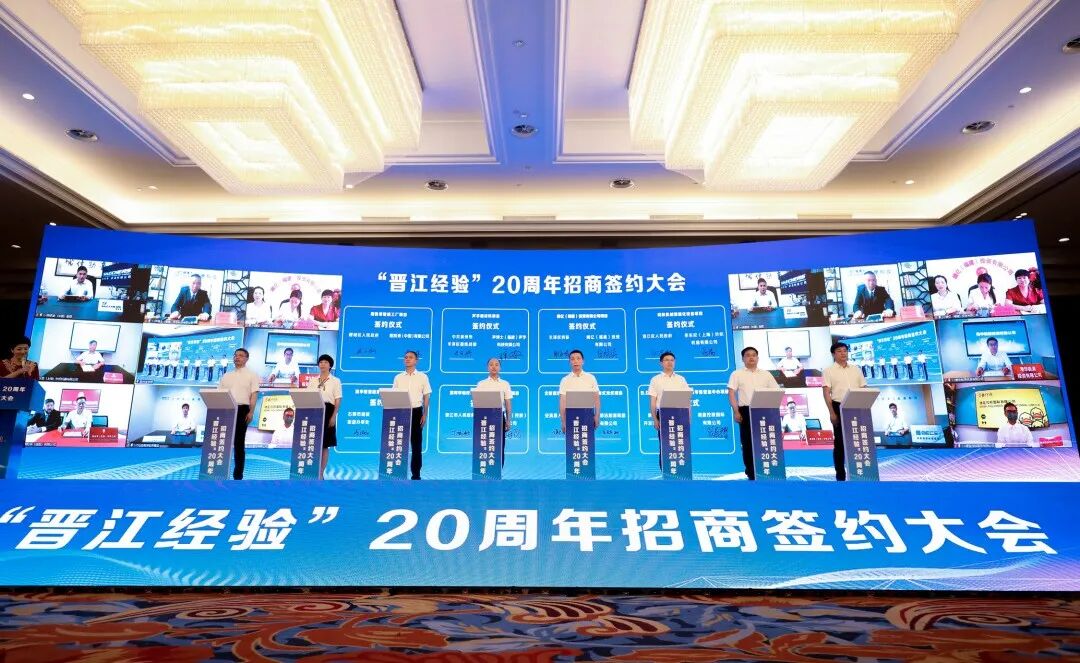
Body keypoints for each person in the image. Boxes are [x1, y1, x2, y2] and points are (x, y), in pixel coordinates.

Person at [727, 346, 780, 480]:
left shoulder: (766, 374)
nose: (751, 357)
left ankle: (769, 470)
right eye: (748, 355)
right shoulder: (737, 374)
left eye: (754, 355)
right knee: (748, 443)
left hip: (764, 410)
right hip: (746, 411)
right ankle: (751, 472)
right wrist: (736, 411)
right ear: (743, 359)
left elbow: (776, 391)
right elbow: (731, 393)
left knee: (766, 442)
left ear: (757, 358)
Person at [823, 341, 868, 481]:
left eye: (845, 350)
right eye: (839, 351)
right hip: (839, 406)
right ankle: (840, 476)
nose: (843, 353)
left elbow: (864, 388)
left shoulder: (856, 369)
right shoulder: (828, 371)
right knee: (840, 443)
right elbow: (826, 392)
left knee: (859, 441)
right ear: (833, 354)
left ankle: (860, 472)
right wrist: (832, 413)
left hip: (857, 407)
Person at [218, 348, 260, 480]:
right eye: (235, 355)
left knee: (238, 443)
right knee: (222, 442)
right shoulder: (226, 375)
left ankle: (238, 475)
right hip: (226, 409)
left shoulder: (252, 375)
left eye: (241, 355)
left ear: (247, 359)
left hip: (242, 410)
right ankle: (219, 472)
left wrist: (251, 412)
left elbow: (254, 394)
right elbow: (219, 393)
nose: (237, 357)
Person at [648, 351, 691, 470]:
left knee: (680, 443)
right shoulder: (655, 379)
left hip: (680, 414)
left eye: (672, 360)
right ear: (661, 363)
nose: (669, 362)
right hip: (663, 415)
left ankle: (681, 470)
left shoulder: (681, 379)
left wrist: (689, 417)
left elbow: (686, 400)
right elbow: (653, 401)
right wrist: (655, 419)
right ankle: (665, 471)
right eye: (666, 360)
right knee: (665, 444)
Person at [392, 350, 431, 480]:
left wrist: (425, 414)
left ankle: (416, 475)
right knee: (399, 444)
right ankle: (397, 473)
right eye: (405, 357)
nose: (407, 359)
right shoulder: (398, 377)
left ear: (416, 361)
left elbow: (426, 396)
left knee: (416, 445)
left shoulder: (423, 377)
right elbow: (394, 396)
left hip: (416, 412)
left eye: (410, 357)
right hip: (401, 412)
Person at [309, 354, 343, 479]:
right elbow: (307, 396)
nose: (322, 364)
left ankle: (320, 473)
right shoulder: (313, 381)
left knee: (324, 444)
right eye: (321, 362)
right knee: (313, 443)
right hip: (314, 411)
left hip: (328, 411)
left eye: (325, 362)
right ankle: (311, 471)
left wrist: (333, 416)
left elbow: (338, 400)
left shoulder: (335, 381)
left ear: (330, 365)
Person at [475, 357, 513, 466]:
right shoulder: (481, 384)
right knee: (484, 445)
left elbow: (508, 403)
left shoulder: (505, 384)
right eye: (491, 364)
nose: (494, 367)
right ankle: (484, 470)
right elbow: (477, 402)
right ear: (487, 367)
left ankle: (499, 471)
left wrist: (508, 420)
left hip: (499, 417)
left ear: (500, 368)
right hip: (484, 418)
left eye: (496, 364)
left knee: (499, 445)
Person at [558, 349, 601, 444]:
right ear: (569, 362)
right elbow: (562, 401)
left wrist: (597, 415)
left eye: (578, 358)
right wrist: (563, 421)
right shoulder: (565, 380)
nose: (575, 361)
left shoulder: (591, 378)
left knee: (587, 445)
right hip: (571, 417)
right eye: (572, 359)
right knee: (573, 445)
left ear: (583, 361)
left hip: (588, 416)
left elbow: (596, 398)